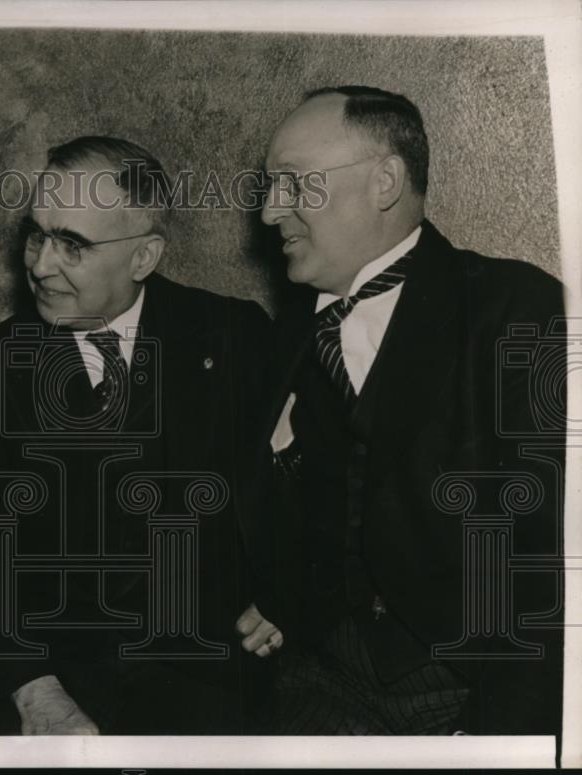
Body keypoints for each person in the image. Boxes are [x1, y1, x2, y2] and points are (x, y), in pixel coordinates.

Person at [238, 85, 565, 736]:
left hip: (469, 688)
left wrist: (501, 734)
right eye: (271, 189)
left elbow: (556, 561)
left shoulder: (517, 310)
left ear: (385, 180)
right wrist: (281, 596)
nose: (272, 211)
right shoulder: (288, 339)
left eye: (295, 185)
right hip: (321, 681)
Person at [0, 136, 273, 734]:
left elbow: (297, 487)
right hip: (50, 687)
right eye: (37, 235)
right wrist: (32, 689)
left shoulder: (232, 335)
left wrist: (283, 595)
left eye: (73, 245)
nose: (39, 265)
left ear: (144, 258)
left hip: (212, 683)